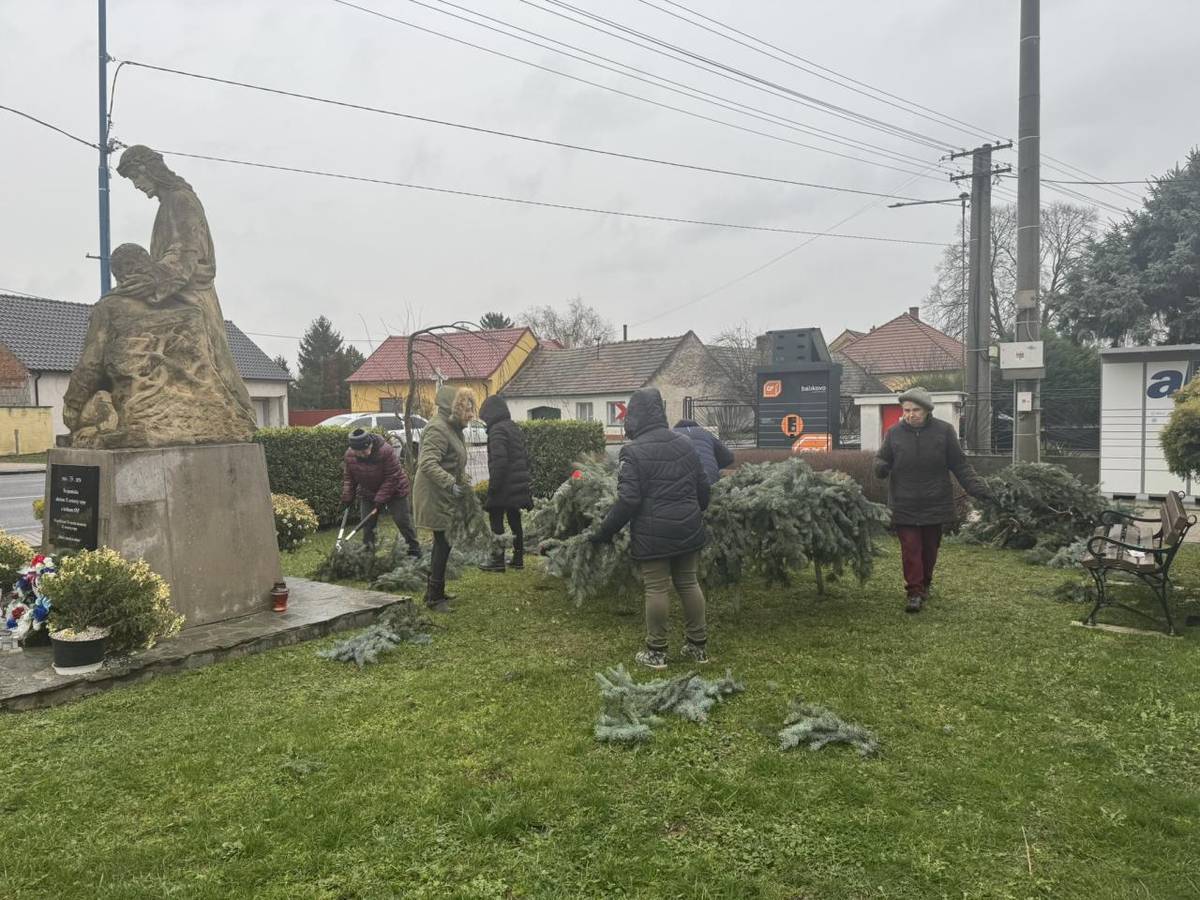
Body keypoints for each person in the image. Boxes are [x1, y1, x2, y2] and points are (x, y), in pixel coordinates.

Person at [589, 388, 711, 669]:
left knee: (656, 588)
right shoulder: (685, 444)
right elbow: (703, 489)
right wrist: (694, 511)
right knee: (689, 583)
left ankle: (656, 652)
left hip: (654, 535)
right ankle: (697, 647)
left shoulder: (632, 451)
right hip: (689, 528)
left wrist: (605, 532)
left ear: (635, 417)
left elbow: (628, 500)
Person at [874, 386, 991, 614]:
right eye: (906, 410)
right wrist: (880, 467)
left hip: (935, 500)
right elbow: (881, 458)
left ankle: (925, 582)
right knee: (910, 549)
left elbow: (959, 464)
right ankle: (914, 591)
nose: (910, 414)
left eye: (915, 409)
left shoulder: (944, 432)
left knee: (930, 548)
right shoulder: (894, 433)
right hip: (904, 501)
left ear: (927, 410)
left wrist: (976, 488)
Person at [413, 385, 476, 612]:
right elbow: (427, 463)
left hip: (444, 494)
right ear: (454, 407)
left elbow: (452, 460)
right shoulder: (438, 428)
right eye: (466, 409)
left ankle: (435, 592)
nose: (470, 415)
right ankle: (434, 598)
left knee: (444, 543)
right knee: (443, 542)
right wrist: (451, 484)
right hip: (434, 495)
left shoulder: (452, 427)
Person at [340, 428, 420, 556]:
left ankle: (414, 550)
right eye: (360, 452)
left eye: (366, 450)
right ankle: (368, 554)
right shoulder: (350, 456)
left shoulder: (385, 451)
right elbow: (349, 478)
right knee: (367, 525)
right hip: (368, 492)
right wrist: (348, 497)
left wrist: (380, 499)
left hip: (396, 490)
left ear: (370, 444)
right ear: (354, 451)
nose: (364, 454)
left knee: (402, 521)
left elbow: (392, 477)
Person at [477, 395, 533, 573]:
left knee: (496, 518)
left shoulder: (497, 431)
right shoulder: (512, 427)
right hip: (517, 481)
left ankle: (497, 559)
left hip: (505, 483)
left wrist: (493, 488)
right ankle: (518, 558)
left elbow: (499, 461)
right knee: (514, 519)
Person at [673, 418, 735, 485]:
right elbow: (729, 457)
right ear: (697, 426)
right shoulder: (706, 433)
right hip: (710, 478)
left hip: (683, 482)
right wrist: (714, 466)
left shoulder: (672, 436)